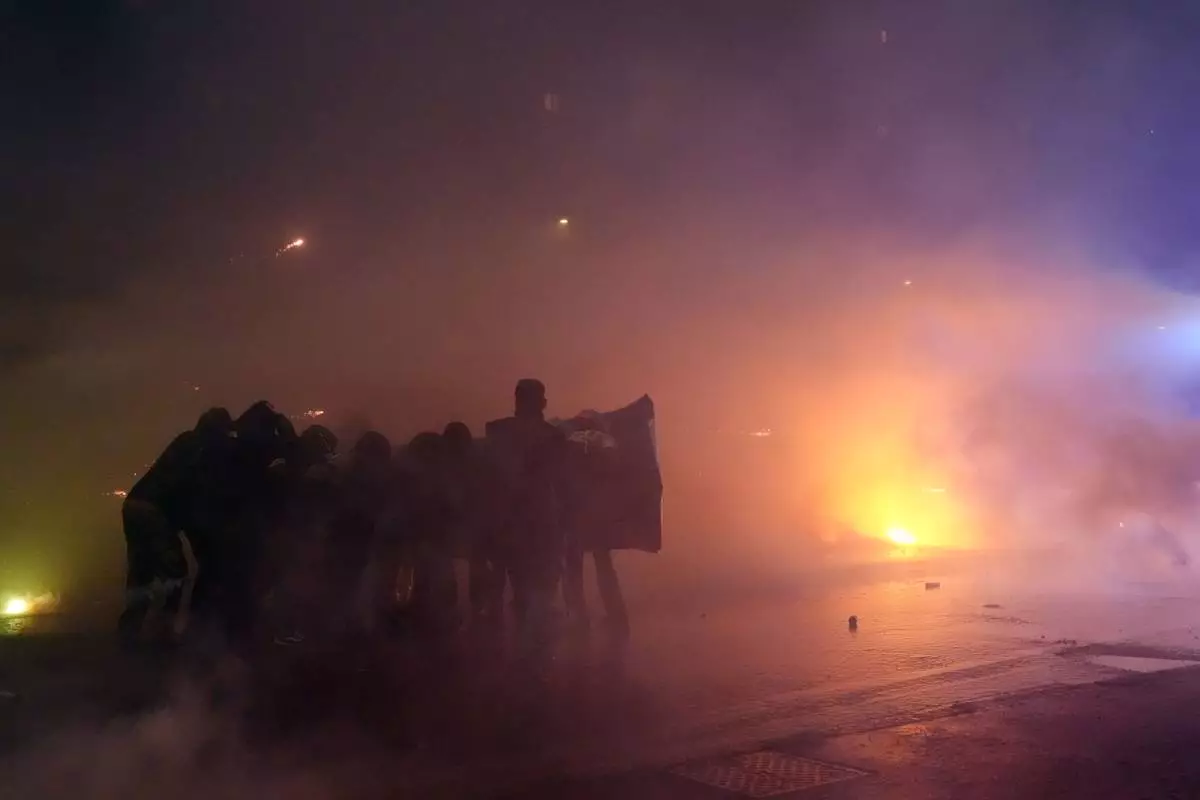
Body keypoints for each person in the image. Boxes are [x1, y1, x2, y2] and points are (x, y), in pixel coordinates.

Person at [117, 407, 234, 645]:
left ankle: (130, 632)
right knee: (175, 574)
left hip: (135, 505)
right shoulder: (200, 448)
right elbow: (192, 494)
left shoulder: (187, 441)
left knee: (141, 572)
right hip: (155, 511)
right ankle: (164, 634)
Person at [485, 379, 569, 660]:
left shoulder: (498, 431)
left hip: (518, 521)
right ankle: (532, 654)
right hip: (535, 520)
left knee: (525, 590)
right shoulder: (552, 437)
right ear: (539, 402)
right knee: (538, 589)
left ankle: (525, 652)